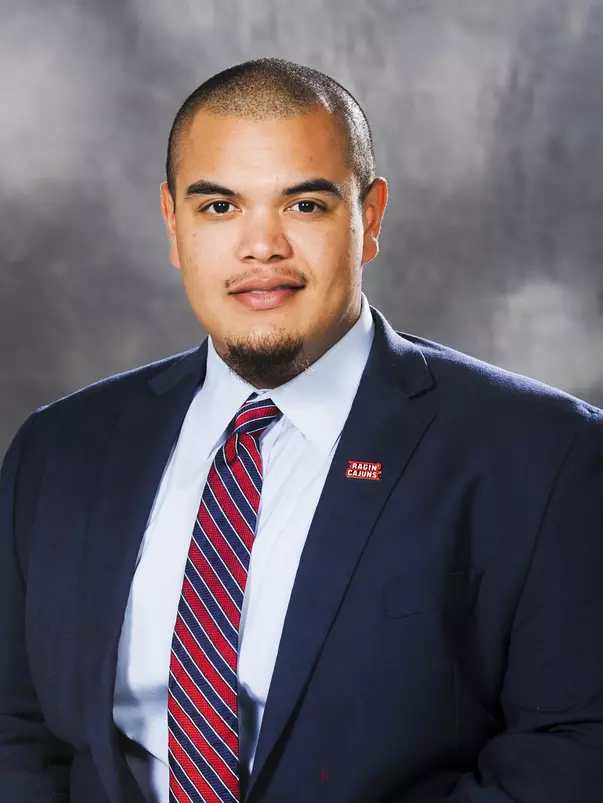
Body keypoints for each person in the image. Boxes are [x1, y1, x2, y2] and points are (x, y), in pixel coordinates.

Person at [1, 56, 602, 803]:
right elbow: (14, 727)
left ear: (369, 216)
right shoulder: (58, 449)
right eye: (218, 207)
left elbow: (573, 744)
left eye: (304, 205)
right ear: (173, 222)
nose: (261, 247)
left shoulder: (543, 453)